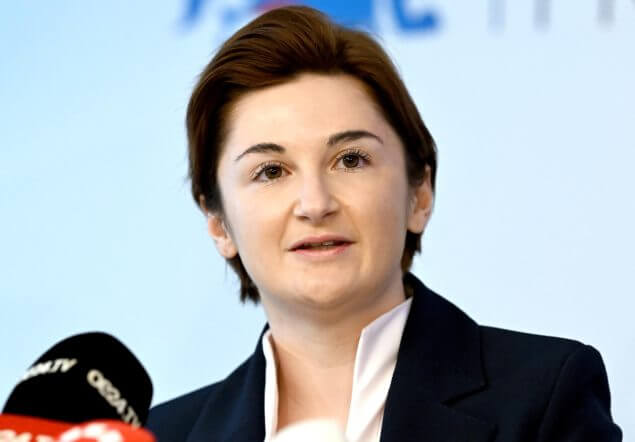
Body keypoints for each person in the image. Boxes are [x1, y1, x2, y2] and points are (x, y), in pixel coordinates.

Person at [146, 6, 621, 442]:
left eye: (350, 160)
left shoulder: (544, 395)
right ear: (218, 223)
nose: (315, 203)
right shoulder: (161, 434)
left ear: (419, 193)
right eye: (271, 171)